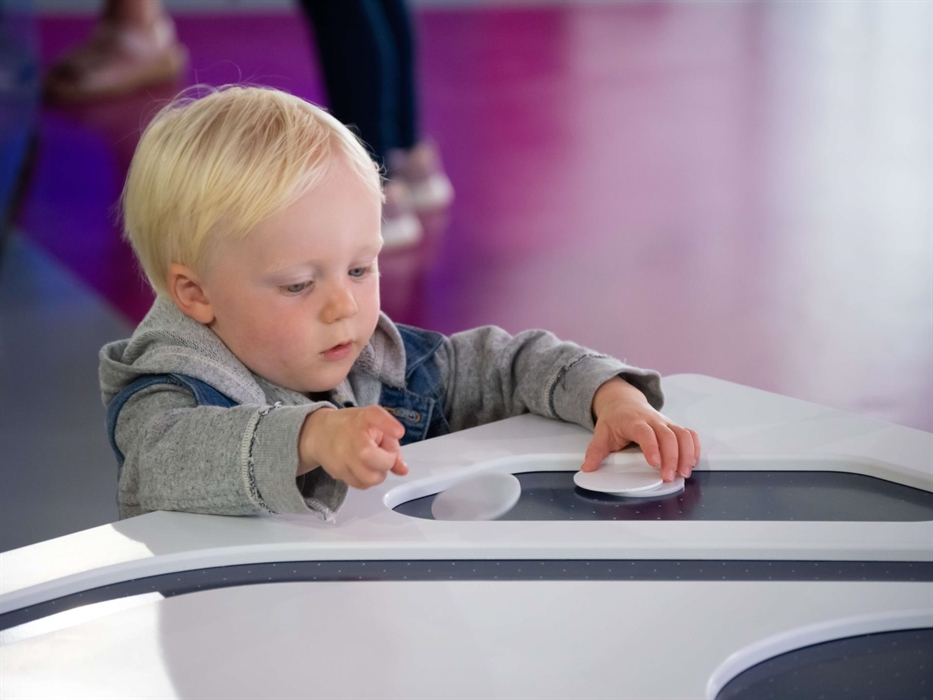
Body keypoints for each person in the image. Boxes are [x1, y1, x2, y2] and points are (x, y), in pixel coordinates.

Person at [99, 86, 700, 521]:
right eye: (298, 285)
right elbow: (161, 460)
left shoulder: (377, 360)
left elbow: (507, 364)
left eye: (360, 268)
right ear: (195, 294)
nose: (344, 308)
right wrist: (314, 436)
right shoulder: (165, 391)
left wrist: (608, 395)